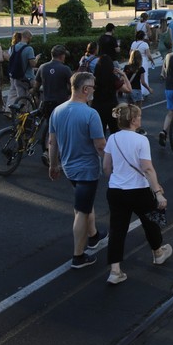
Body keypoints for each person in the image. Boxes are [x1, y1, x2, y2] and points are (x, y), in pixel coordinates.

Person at [102, 104, 171, 285]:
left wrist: (116, 180)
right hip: (139, 190)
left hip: (116, 191)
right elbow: (147, 169)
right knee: (151, 223)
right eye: (139, 117)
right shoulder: (141, 140)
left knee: (117, 230)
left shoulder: (112, 139)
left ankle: (115, 271)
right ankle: (158, 253)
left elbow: (106, 167)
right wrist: (158, 192)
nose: (140, 119)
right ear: (133, 120)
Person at [48, 72, 110, 269]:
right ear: (85, 89)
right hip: (87, 170)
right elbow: (100, 146)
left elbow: (52, 141)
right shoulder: (91, 114)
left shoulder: (57, 111)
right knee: (81, 211)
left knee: (85, 203)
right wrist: (113, 166)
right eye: (92, 87)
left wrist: (53, 165)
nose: (93, 91)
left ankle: (93, 236)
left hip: (69, 168)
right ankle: (78, 255)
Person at [92, 55, 131, 136]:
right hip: (113, 107)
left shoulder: (94, 78)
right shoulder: (113, 78)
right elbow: (128, 90)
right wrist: (124, 75)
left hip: (97, 107)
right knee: (115, 130)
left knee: (100, 132)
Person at [3, 32, 23, 116]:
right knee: (20, 92)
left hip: (12, 71)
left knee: (12, 91)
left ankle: (8, 109)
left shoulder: (12, 48)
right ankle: (21, 111)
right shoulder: (21, 48)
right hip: (19, 73)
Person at [129, 33, 154, 97]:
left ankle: (136, 90)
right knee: (144, 76)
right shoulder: (145, 44)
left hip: (134, 60)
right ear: (143, 37)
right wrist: (152, 60)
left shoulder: (133, 43)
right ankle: (144, 91)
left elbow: (130, 52)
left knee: (135, 75)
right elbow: (148, 55)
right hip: (143, 61)